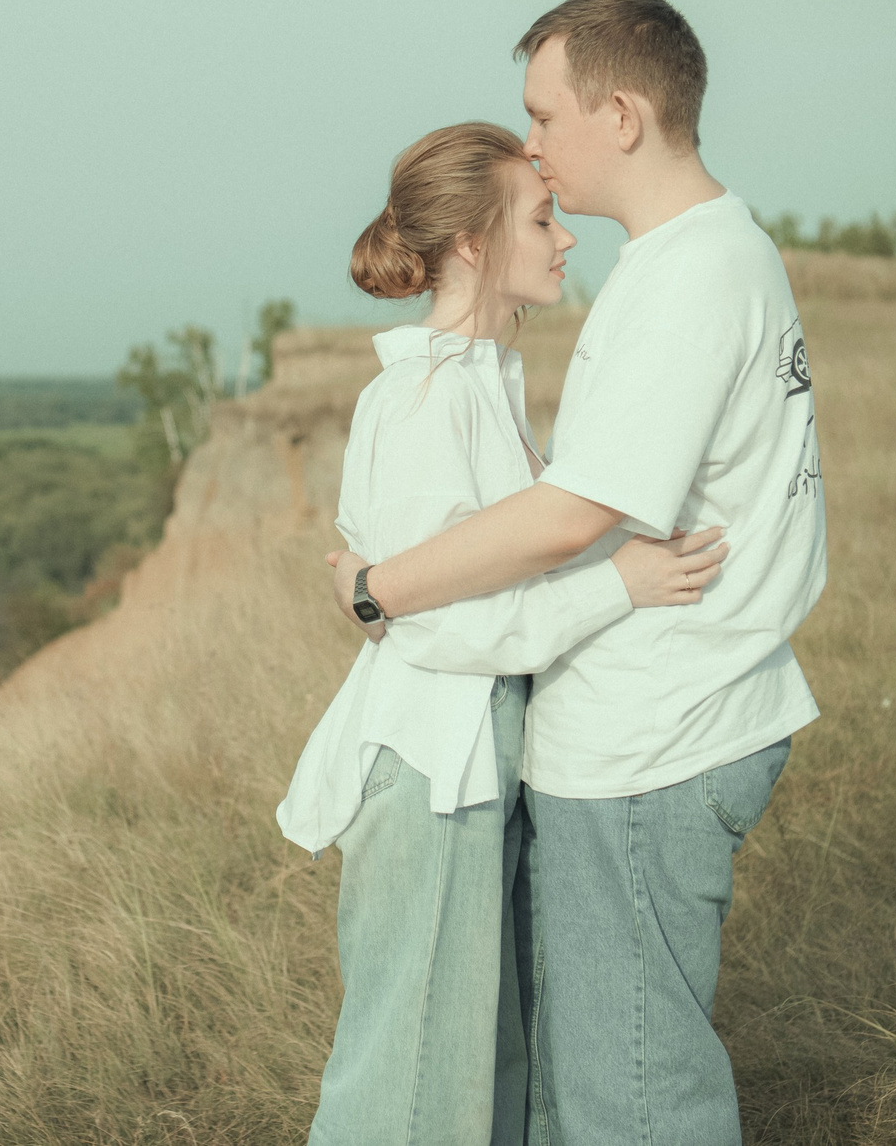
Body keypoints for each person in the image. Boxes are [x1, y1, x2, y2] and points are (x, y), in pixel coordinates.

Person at [327, 0, 827, 1146]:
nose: (536, 148)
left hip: (650, 740)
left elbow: (570, 517)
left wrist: (377, 587)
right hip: (637, 729)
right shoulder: (699, 258)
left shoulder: (688, 279)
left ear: (619, 113)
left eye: (543, 115)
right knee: (579, 1088)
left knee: (629, 1104)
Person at [279, 120, 730, 1146]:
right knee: (407, 1085)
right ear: (475, 245)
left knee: (472, 1076)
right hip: (433, 772)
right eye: (541, 217)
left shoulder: (484, 385)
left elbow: (484, 574)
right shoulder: (428, 399)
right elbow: (437, 630)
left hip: (475, 765)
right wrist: (618, 584)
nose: (566, 236)